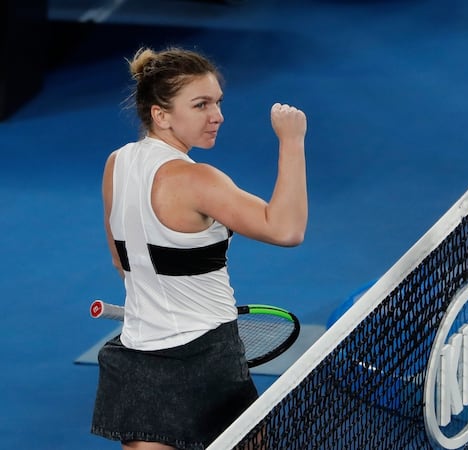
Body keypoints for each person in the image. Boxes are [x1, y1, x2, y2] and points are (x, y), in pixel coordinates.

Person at [91, 47, 308, 449]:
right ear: (161, 114)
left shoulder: (116, 164)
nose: (217, 116)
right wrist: (291, 141)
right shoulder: (198, 180)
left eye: (218, 103)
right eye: (201, 105)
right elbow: (287, 229)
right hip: (208, 359)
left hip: (137, 358)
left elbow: (124, 263)